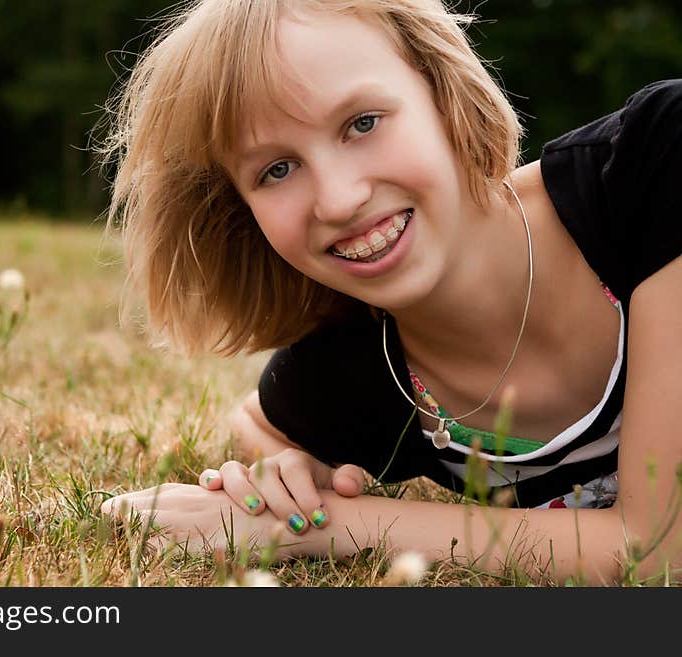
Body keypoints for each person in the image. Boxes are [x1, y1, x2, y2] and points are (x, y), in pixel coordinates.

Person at [98, 0, 682, 584]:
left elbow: (658, 550)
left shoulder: (657, 162)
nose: (338, 199)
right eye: (277, 169)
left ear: (442, 89)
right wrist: (288, 472)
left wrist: (326, 526)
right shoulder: (359, 367)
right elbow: (260, 424)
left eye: (362, 123)